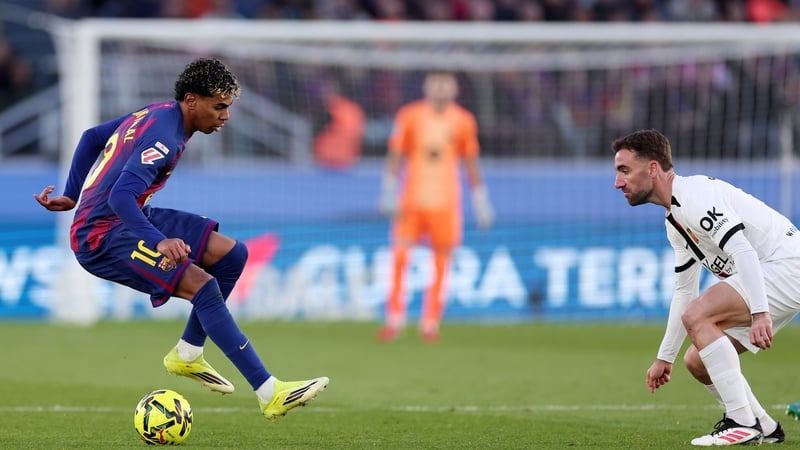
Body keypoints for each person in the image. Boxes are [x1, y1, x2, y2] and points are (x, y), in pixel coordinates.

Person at [34, 57, 328, 422]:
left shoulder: (159, 112)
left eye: (228, 107)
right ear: (192, 100)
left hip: (129, 217)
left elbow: (91, 138)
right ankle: (270, 391)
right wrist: (157, 240)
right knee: (203, 287)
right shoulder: (165, 137)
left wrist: (73, 193)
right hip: (102, 236)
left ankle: (188, 353)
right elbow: (120, 197)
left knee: (232, 255)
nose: (225, 116)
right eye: (219, 106)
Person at [612, 129, 799, 446]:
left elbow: (743, 251)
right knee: (697, 361)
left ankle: (742, 421)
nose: (618, 183)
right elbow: (684, 291)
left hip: (787, 265)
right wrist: (665, 358)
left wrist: (760, 313)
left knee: (698, 315)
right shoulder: (675, 220)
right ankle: (766, 428)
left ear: (653, 168)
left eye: (624, 170)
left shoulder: (695, 196)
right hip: (771, 277)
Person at [377, 71, 494, 343]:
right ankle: (395, 320)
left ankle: (430, 323)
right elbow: (396, 154)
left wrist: (480, 199)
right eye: (436, 83)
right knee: (400, 258)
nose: (440, 89)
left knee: (441, 262)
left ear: (453, 89)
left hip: (446, 204)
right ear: (427, 87)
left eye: (445, 84)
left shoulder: (464, 120)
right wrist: (389, 190)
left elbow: (470, 161)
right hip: (412, 201)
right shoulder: (409, 116)